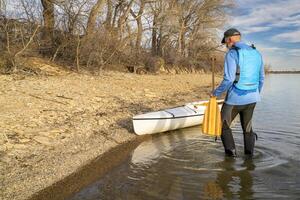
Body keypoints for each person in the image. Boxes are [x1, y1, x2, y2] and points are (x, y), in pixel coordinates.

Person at [212, 28, 264, 157]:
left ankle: (230, 161)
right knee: (247, 128)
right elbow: (261, 78)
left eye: (226, 43)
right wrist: (256, 93)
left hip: (235, 99)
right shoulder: (256, 52)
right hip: (253, 98)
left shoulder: (232, 53)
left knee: (223, 126)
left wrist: (216, 93)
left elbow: (229, 79)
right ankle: (249, 159)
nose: (226, 46)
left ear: (229, 40)